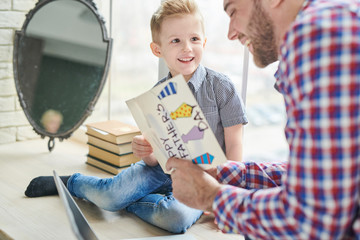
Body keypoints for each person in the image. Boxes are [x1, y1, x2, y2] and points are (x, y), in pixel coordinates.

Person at [24, 0, 248, 234]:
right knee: (109, 195)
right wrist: (147, 150)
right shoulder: (158, 93)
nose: (187, 48)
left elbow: (235, 144)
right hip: (159, 170)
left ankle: (124, 202)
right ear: (157, 50)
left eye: (194, 39)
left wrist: (224, 196)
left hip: (202, 178)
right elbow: (153, 159)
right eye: (175, 41)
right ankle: (72, 183)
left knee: (175, 218)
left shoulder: (222, 88)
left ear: (203, 41)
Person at [166, 0, 360, 239]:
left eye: (233, 11)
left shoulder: (316, 35)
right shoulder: (337, 21)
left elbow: (310, 223)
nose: (231, 33)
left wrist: (211, 196)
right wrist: (227, 173)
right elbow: (320, 178)